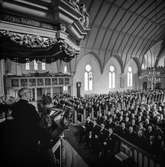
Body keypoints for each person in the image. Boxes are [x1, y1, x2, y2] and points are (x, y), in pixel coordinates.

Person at [11, 88, 50, 167]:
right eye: (29, 92)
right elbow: (38, 121)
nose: (31, 93)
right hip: (30, 135)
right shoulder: (30, 107)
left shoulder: (14, 106)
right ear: (24, 94)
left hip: (18, 135)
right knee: (48, 135)